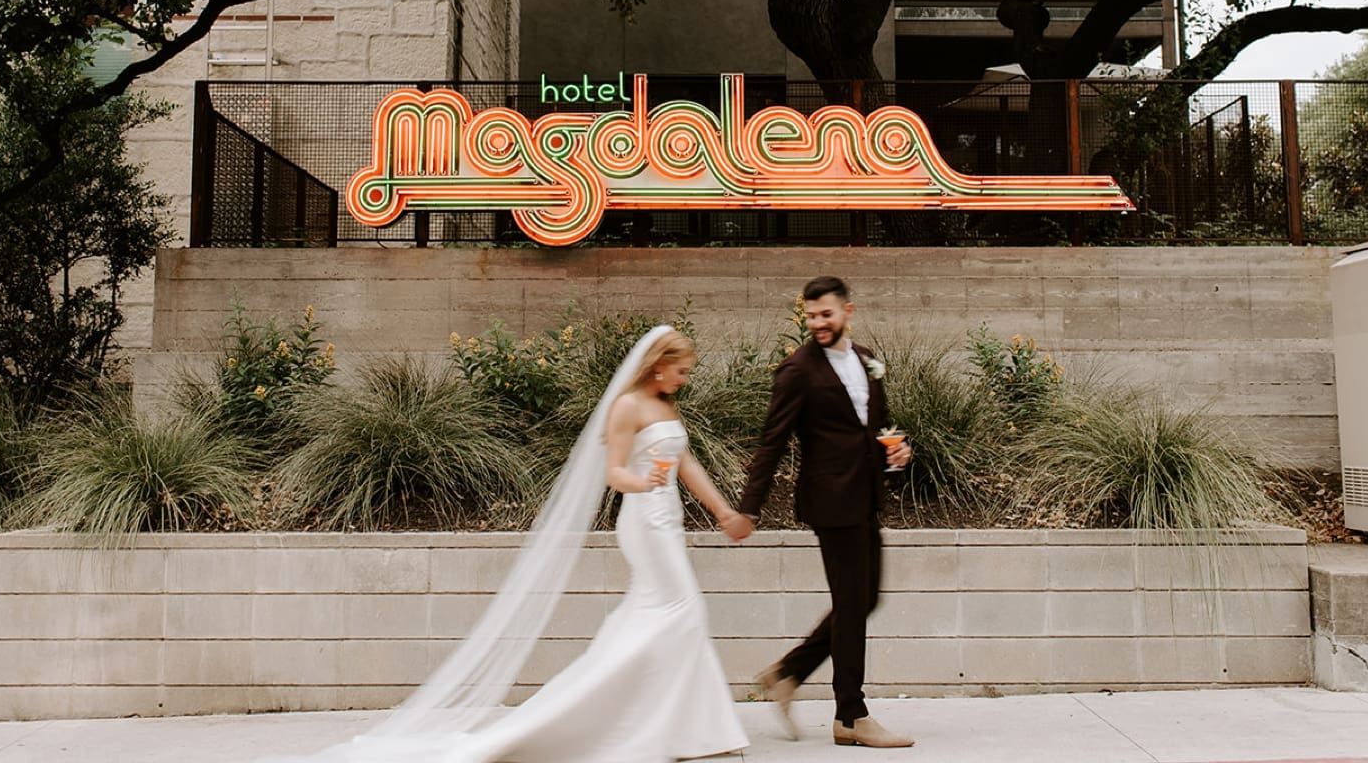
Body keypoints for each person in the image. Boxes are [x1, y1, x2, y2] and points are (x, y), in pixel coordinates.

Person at [285, 326, 750, 763]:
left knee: (661, 615)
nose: (685, 380)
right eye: (682, 370)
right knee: (681, 609)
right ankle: (670, 724)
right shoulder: (628, 405)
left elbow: (686, 462)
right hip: (645, 521)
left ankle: (669, 722)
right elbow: (614, 474)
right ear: (658, 366)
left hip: (667, 518)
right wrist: (642, 481)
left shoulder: (666, 405)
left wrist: (723, 512)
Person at [728, 276, 916, 749]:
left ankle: (787, 673)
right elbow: (771, 442)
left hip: (866, 495)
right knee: (854, 604)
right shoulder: (797, 370)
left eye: (826, 315)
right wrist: (749, 509)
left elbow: (879, 425)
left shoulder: (867, 358)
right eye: (811, 316)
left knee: (866, 600)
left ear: (847, 311)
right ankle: (851, 716)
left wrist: (895, 455)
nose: (818, 323)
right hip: (831, 501)